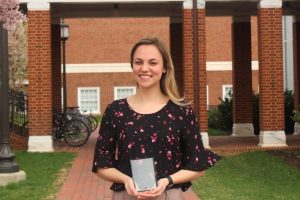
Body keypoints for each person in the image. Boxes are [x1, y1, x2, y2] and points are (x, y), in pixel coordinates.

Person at [92, 37, 221, 200]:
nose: (144, 68)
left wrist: (167, 181)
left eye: (153, 63)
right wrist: (126, 179)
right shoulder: (116, 110)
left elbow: (198, 166)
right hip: (126, 195)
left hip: (168, 195)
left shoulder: (182, 112)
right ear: (132, 65)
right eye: (138, 62)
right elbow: (101, 164)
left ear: (165, 67)